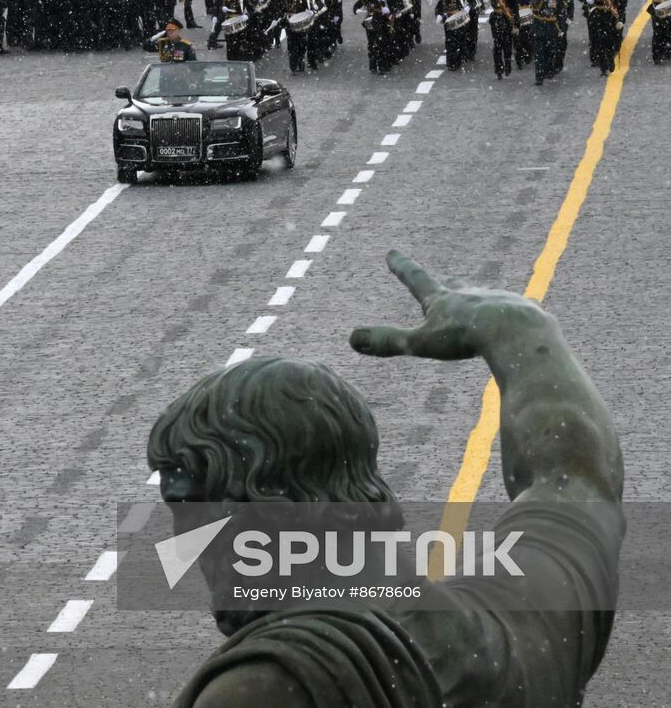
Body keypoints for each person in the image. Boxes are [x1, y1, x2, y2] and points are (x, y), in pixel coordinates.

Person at [157, 250, 624, 708]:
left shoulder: (273, 684)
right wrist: (518, 327)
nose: (183, 546)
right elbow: (576, 476)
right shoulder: (517, 631)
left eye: (190, 509)